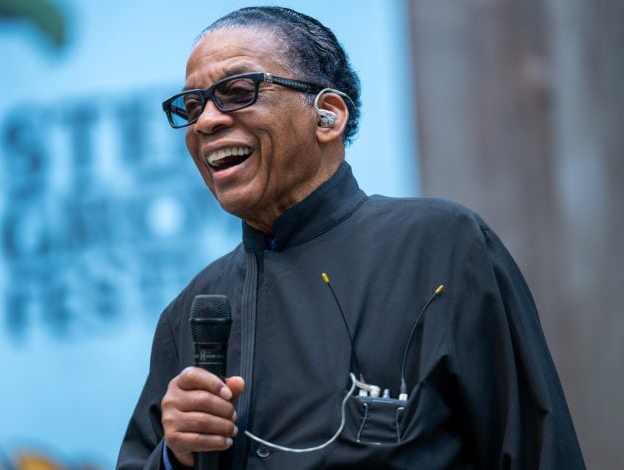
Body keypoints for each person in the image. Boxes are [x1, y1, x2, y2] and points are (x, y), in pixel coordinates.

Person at [117, 6, 584, 469]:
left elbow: (535, 448)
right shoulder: (193, 308)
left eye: (237, 92)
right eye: (192, 106)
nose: (205, 122)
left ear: (328, 116)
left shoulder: (441, 247)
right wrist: (174, 457)